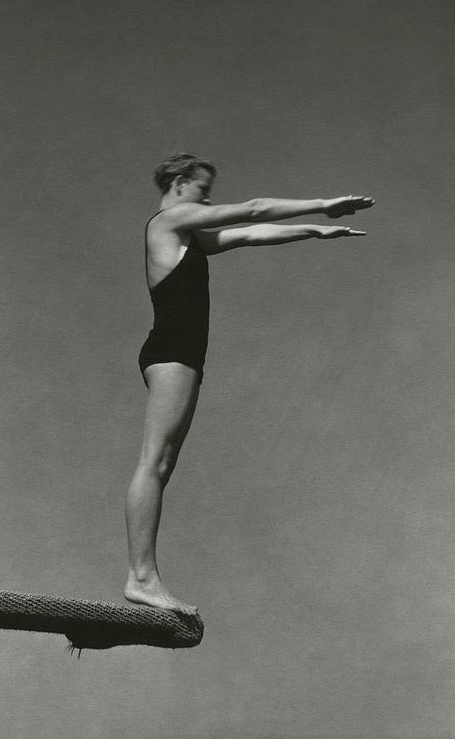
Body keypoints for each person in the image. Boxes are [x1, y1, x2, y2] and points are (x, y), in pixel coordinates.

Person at [124, 153, 374, 615]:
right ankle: (141, 577)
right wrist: (323, 204)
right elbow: (256, 208)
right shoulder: (170, 220)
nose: (209, 199)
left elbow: (252, 232)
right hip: (171, 351)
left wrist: (316, 231)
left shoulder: (192, 236)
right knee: (153, 461)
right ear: (180, 183)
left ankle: (144, 575)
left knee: (163, 463)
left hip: (183, 354)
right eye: (204, 189)